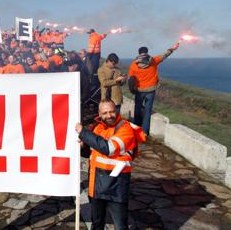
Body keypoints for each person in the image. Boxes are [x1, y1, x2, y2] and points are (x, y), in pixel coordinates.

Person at [76, 100, 146, 230]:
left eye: (112, 111)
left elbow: (109, 148)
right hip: (96, 186)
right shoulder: (97, 127)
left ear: (117, 110)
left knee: (120, 226)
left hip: (116, 185)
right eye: (105, 113)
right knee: (97, 224)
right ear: (99, 114)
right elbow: (92, 152)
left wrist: (83, 132)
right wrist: (83, 147)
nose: (109, 115)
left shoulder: (125, 129)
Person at [128, 42, 180, 134]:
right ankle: (144, 132)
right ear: (147, 52)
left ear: (139, 53)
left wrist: (132, 90)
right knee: (147, 111)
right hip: (151, 91)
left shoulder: (133, 65)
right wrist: (173, 48)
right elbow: (164, 55)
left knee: (137, 108)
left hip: (139, 91)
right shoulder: (153, 61)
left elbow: (130, 79)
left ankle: (136, 128)